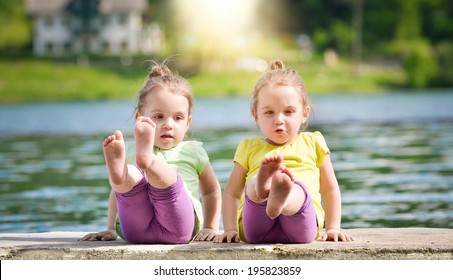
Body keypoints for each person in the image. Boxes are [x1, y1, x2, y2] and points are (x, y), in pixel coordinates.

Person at [214, 59, 354, 244]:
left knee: (297, 191)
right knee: (253, 188)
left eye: (288, 112)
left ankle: (283, 195)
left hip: (301, 224)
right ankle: (263, 187)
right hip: (255, 227)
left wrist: (333, 228)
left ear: (304, 113)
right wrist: (230, 230)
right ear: (255, 115)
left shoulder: (313, 141)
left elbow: (330, 188)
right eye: (269, 113)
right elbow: (232, 193)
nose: (278, 120)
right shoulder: (248, 146)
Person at [82, 61, 221, 244]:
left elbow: (212, 191)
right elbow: (116, 193)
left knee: (161, 180)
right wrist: (110, 228)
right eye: (158, 117)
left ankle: (147, 163)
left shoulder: (192, 151)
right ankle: (126, 173)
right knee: (127, 181)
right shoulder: (131, 149)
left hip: (176, 227)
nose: (168, 124)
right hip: (137, 229)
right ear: (140, 119)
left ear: (188, 122)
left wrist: (210, 227)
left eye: (177, 118)